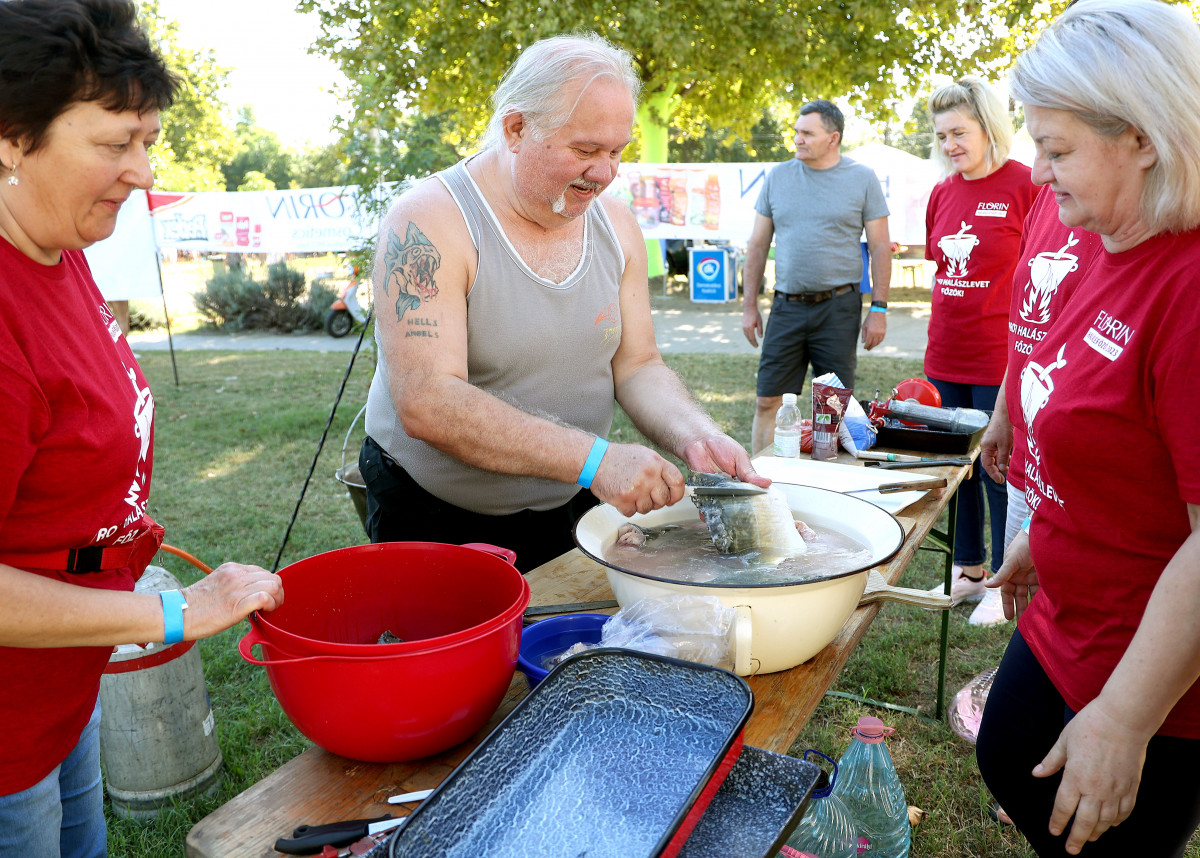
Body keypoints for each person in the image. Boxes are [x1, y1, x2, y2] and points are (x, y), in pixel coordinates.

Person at [0, 3, 285, 855]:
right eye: (116, 143)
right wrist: (173, 611)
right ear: (12, 137)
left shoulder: (59, 247)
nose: (143, 170)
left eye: (149, 140)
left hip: (62, 690)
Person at [359, 33, 765, 573]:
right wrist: (596, 460)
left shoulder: (616, 224)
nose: (605, 173)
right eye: (585, 150)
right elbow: (427, 401)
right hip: (434, 513)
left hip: (569, 500)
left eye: (616, 152)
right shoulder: (429, 221)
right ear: (516, 129)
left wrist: (698, 436)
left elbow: (637, 365)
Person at [976, 1, 1200, 854]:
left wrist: (1124, 720)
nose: (1038, 174)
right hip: (1070, 616)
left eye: (1058, 150)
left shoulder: (1189, 288)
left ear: (1142, 136)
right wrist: (1051, 533)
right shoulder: (1107, 244)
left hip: (1148, 680)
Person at [921, 77, 1037, 626]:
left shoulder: (1026, 185)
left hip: (1000, 358)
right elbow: (943, 270)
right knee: (956, 468)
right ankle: (968, 568)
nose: (949, 145)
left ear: (989, 128)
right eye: (941, 135)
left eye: (959, 133)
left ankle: (1002, 577)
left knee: (997, 467)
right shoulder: (942, 192)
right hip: (945, 353)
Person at [741, 99, 892, 457]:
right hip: (786, 307)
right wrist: (749, 306)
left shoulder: (862, 178)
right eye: (796, 132)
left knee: (833, 405)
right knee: (767, 401)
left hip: (838, 308)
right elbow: (757, 245)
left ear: (833, 138)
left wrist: (879, 309)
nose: (797, 139)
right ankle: (762, 477)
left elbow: (880, 246)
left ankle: (827, 479)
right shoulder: (778, 177)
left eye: (807, 133)